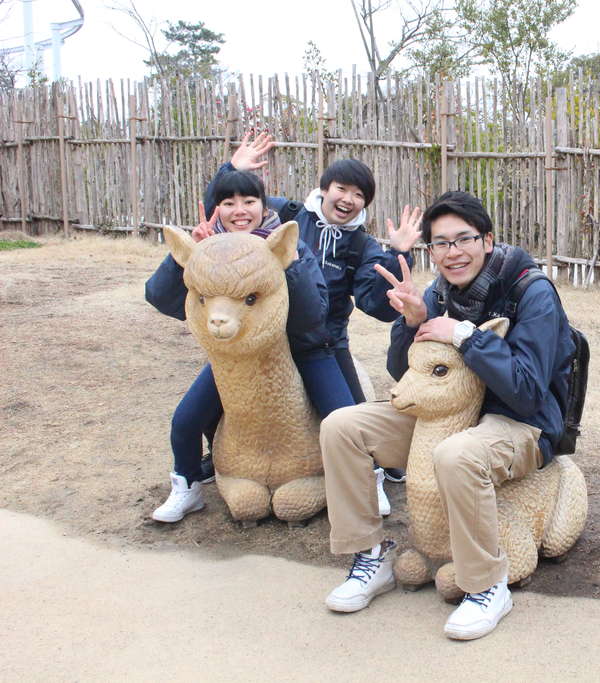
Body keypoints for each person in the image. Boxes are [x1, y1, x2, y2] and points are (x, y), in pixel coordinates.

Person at [318, 191, 575, 640]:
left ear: (488, 241)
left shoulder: (532, 293)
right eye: (440, 244)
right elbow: (405, 373)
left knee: (457, 454)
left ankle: (487, 585)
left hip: (519, 421)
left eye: (463, 240)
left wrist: (464, 335)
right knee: (343, 427)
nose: (452, 253)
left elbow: (528, 391)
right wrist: (414, 321)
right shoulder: (439, 291)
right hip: (450, 412)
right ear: (431, 249)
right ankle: (370, 554)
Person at [207, 132, 418, 487]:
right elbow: (227, 207)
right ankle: (211, 461)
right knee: (209, 406)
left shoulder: (361, 245)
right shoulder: (286, 215)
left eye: (359, 195)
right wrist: (231, 169)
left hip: (325, 341)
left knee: (350, 413)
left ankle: (375, 472)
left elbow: (374, 302)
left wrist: (398, 256)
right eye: (342, 189)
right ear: (324, 188)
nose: (348, 199)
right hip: (261, 337)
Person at [146, 169, 348, 522]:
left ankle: (363, 482)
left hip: (304, 348)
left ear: (263, 204)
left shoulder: (288, 245)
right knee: (186, 419)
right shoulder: (211, 250)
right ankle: (188, 485)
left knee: (344, 417)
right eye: (228, 203)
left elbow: (314, 313)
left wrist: (286, 264)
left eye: (249, 201)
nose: (240, 210)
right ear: (217, 209)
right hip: (238, 357)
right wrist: (191, 256)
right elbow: (161, 298)